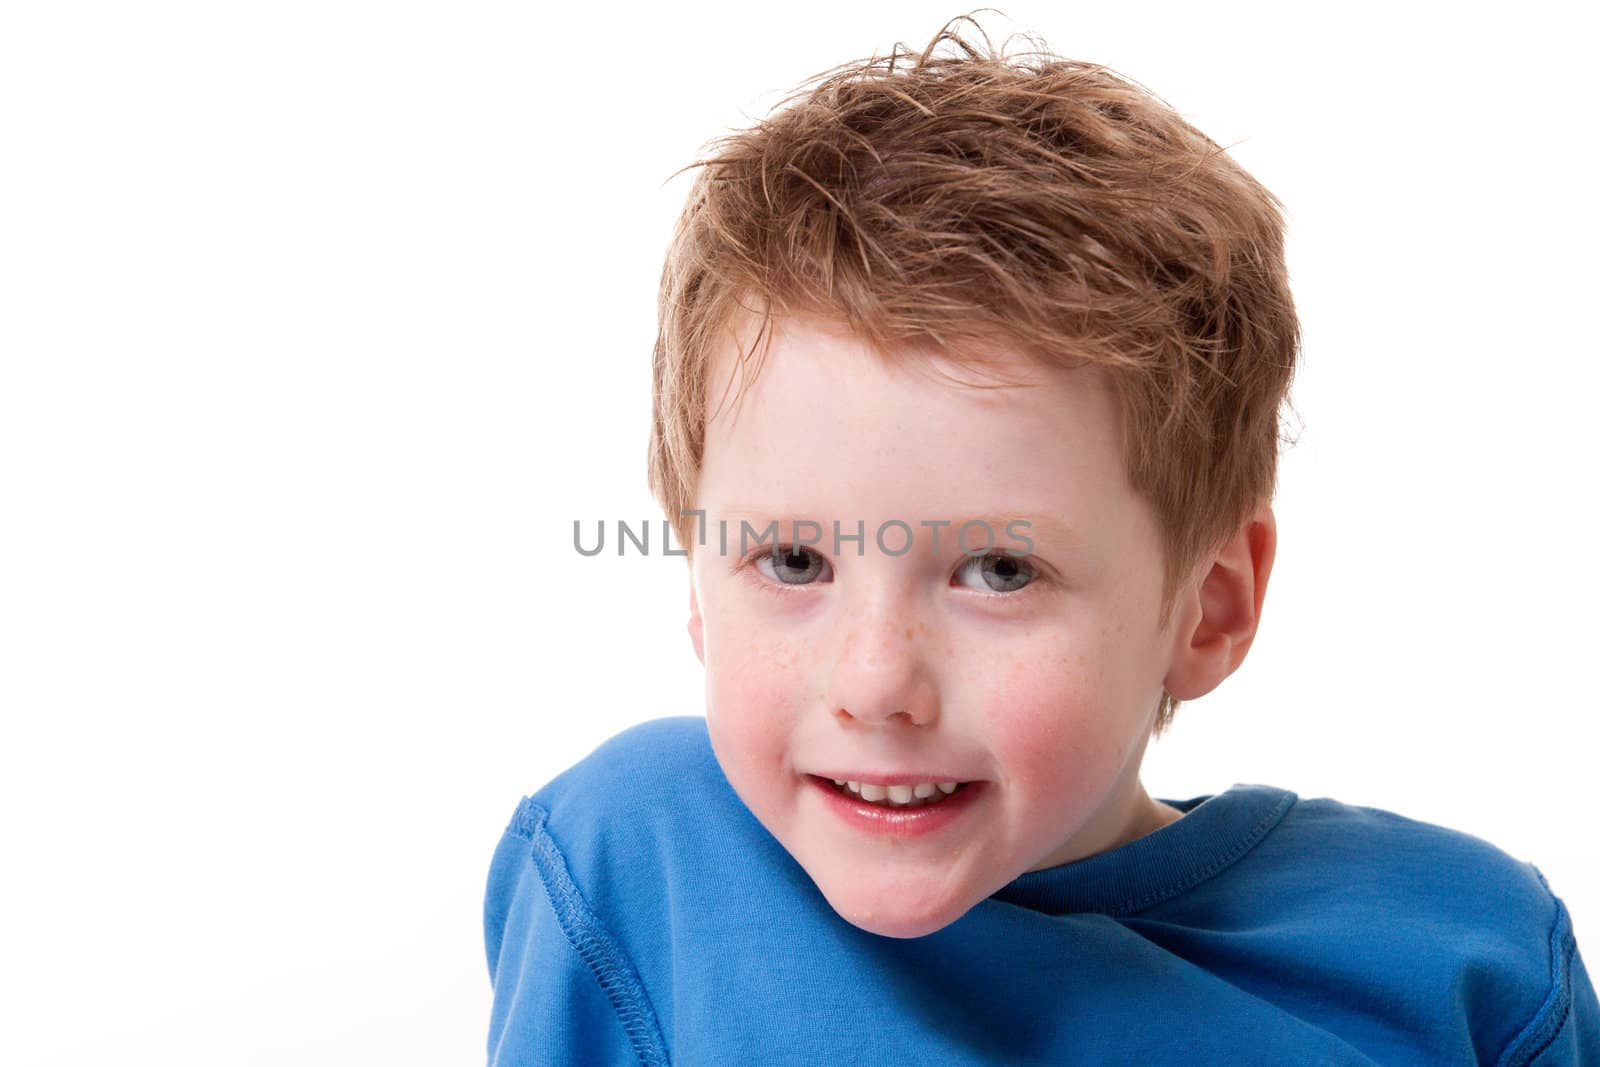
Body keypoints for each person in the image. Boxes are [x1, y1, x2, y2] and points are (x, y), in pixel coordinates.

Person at [482, 17, 1599, 1064]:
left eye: (1000, 570)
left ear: (1207, 607)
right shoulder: (639, 858)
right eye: (793, 561)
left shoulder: (1464, 956)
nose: (875, 684)